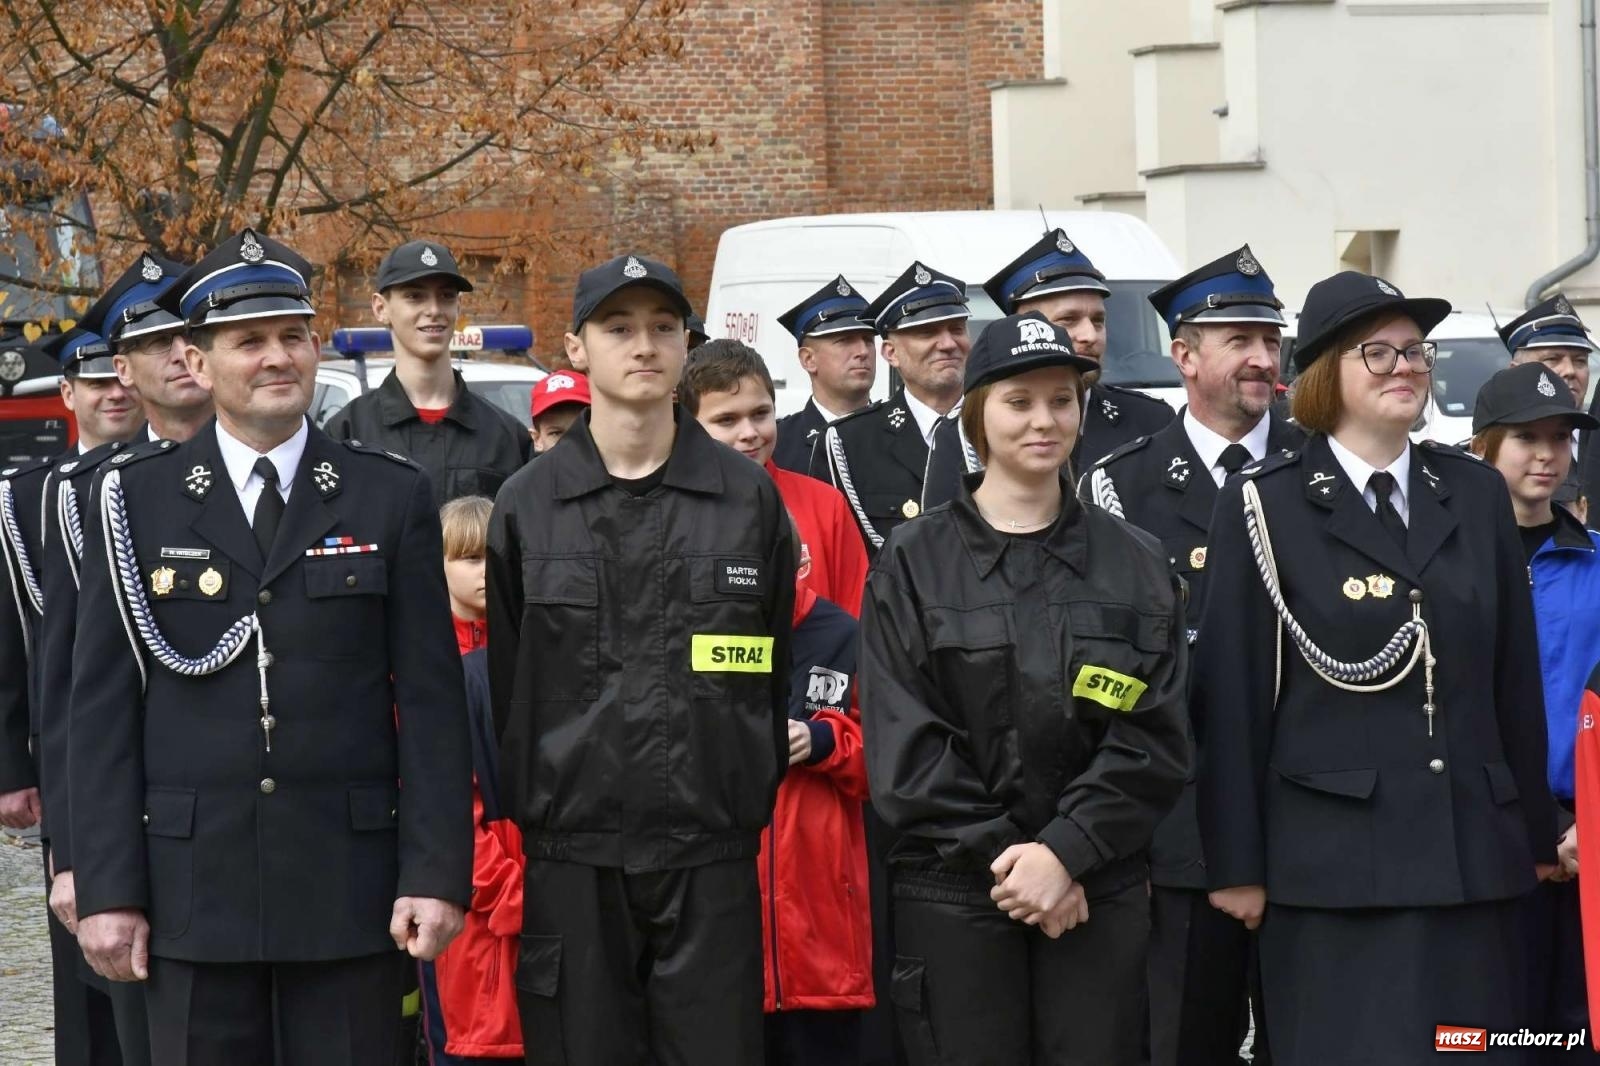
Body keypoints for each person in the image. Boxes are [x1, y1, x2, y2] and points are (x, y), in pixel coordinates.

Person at [68, 228, 473, 1066]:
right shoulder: (132, 504)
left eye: (292, 336)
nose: (275, 358)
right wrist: (106, 889)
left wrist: (434, 872)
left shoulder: (388, 495)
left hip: (348, 893)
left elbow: (432, 705)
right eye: (247, 341)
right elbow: (100, 713)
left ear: (317, 347)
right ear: (198, 361)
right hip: (191, 897)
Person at [1194, 271, 1560, 1065]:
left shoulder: (1472, 492)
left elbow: (1513, 683)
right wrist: (1237, 867)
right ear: (1325, 371)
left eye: (1417, 352)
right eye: (1381, 352)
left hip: (1474, 865)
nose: (1407, 367)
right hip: (1335, 874)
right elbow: (1230, 697)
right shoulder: (1266, 504)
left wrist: (1533, 830)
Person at [486, 253, 795, 1066]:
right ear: (576, 346)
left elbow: (767, 667)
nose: (644, 346)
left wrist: (738, 788)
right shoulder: (528, 504)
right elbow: (512, 681)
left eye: (663, 327)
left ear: (687, 344)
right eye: (618, 328)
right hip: (575, 859)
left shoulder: (746, 497)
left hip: (710, 852)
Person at [859, 312, 1190, 1064]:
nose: (1045, 420)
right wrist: (1021, 864)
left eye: (1061, 400)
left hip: (1094, 897)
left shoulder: (1135, 562)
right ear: (978, 416)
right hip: (954, 898)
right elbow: (905, 745)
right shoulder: (913, 563)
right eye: (1019, 402)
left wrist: (1065, 854)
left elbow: (1156, 737)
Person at [1085, 244, 1300, 1066]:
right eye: (1239, 338)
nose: (1262, 358)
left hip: (1304, 812)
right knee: (1183, 1039)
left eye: (1270, 339)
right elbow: (1104, 671)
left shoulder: (1315, 466)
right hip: (1176, 823)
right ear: (1183, 355)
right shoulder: (1121, 486)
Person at [0, 333, 133, 1066]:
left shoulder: (161, 480)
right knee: (76, 931)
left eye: (121, 379)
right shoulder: (24, 497)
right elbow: (13, 642)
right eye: (95, 382)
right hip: (65, 744)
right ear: (69, 396)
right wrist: (12, 762)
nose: (114, 393)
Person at [1468, 362, 1600, 1061]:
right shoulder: (1448, 567)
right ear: (1483, 445)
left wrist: (1581, 827)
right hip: (1485, 837)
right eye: (1527, 436)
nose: (1548, 454)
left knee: (1577, 1033)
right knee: (1490, 1034)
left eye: (1561, 437)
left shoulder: (1599, 566)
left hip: (1589, 841)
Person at [922, 229, 1175, 512]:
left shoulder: (1150, 420)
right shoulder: (963, 430)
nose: (1090, 335)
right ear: (1024, 326)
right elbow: (941, 540)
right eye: (1069, 320)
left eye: (1098, 320)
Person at [420, 495, 524, 1065]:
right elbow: (440, 803)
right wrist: (512, 892)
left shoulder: (528, 647)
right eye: (468, 558)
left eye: (494, 557)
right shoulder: (426, 660)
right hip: (472, 899)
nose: (486, 572)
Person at [324, 239, 530, 504]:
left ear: (458, 306)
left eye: (446, 296)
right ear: (380, 308)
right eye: (414, 296)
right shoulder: (348, 433)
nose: (433, 310)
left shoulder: (506, 437)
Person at [682, 339, 869, 613]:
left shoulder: (825, 504)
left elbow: (857, 614)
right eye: (727, 420)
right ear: (690, 426)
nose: (749, 432)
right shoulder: (675, 507)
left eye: (760, 414)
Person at [811, 261, 970, 558]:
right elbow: (838, 559)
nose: (948, 343)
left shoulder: (1000, 424)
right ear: (891, 353)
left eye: (957, 329)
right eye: (927, 333)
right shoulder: (849, 442)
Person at [1501, 295, 1598, 515]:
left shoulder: (1594, 440)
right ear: (1516, 370)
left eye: (1580, 361)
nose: (1570, 371)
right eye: (1553, 359)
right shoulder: (1497, 447)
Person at [772, 277, 877, 476]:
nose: (863, 351)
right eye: (845, 341)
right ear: (808, 359)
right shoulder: (779, 444)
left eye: (868, 340)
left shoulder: (903, 435)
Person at [528, 370, 591, 455]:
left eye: (582, 429)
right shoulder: (534, 468)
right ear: (537, 439)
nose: (571, 442)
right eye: (556, 433)